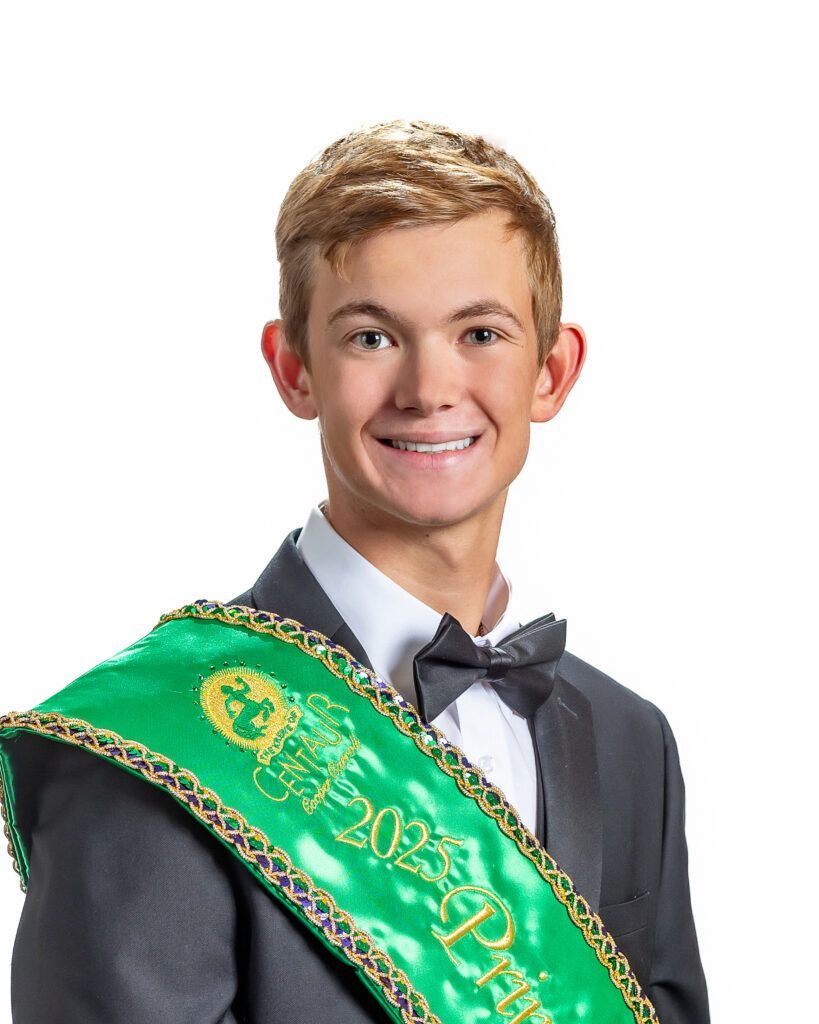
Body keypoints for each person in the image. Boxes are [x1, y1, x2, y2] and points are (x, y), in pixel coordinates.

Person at [0, 119, 709, 1023]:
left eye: (480, 333)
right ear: (293, 368)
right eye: (371, 338)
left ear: (552, 372)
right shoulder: (155, 746)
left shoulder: (626, 739)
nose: (427, 388)